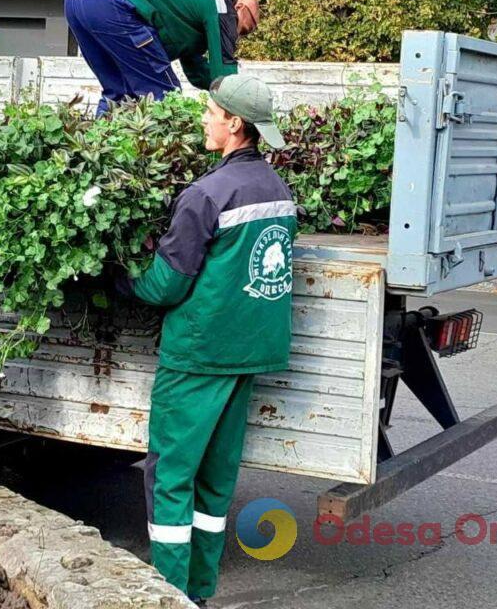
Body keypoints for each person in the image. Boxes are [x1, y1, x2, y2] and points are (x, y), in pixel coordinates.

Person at [115, 74, 294, 606]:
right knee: (215, 482)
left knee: (170, 478)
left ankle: (168, 596)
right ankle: (199, 592)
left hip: (198, 354)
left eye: (210, 113)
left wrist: (121, 278)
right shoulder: (277, 189)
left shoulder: (206, 194)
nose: (204, 120)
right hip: (248, 352)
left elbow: (168, 283)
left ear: (234, 124)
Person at [65, 0, 260, 114]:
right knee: (164, 97)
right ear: (239, 8)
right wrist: (245, 107)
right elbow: (224, 71)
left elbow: (196, 71)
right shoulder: (221, 3)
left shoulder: (192, 3)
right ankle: (162, 159)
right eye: (244, 29)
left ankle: (97, 154)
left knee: (119, 95)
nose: (237, 36)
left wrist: (214, 84)